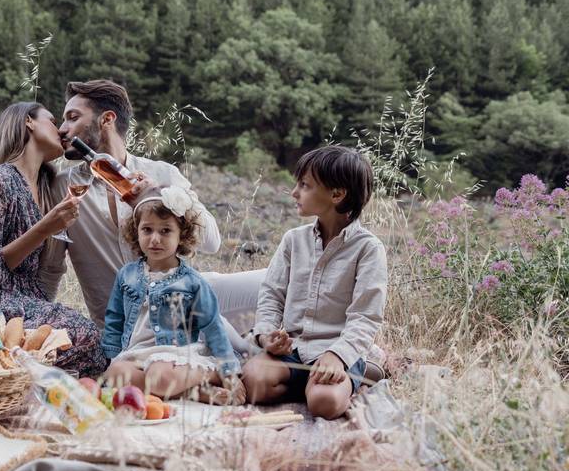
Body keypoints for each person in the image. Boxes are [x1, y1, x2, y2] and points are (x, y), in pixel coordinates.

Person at [38, 79, 266, 349]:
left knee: (274, 280)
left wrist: (159, 197)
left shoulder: (161, 173)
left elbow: (212, 242)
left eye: (72, 118)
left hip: (187, 293)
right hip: (132, 322)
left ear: (106, 119)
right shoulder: (63, 187)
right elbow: (51, 267)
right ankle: (245, 356)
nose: (62, 129)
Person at [0, 102, 108, 377]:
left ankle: (9, 376)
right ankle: (8, 374)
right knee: (83, 335)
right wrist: (45, 227)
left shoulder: (46, 190)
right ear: (28, 122)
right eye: (51, 120)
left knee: (93, 346)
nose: (61, 129)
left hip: (16, 301)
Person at [241, 146, 388, 420]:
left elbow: (365, 316)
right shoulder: (293, 240)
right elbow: (271, 295)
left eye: (305, 186)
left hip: (335, 351)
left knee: (324, 403)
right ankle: (316, 384)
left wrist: (338, 356)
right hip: (292, 350)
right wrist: (266, 336)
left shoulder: (368, 248)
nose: (294, 192)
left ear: (336, 194)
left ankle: (354, 371)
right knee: (253, 382)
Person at [101, 186, 244, 404]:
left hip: (175, 355)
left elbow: (213, 326)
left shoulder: (192, 281)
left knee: (159, 377)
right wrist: (111, 356)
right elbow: (114, 319)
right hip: (138, 353)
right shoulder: (127, 275)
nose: (155, 239)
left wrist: (228, 370)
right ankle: (193, 392)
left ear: (181, 235)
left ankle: (211, 374)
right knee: (114, 376)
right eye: (147, 230)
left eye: (165, 231)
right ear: (136, 231)